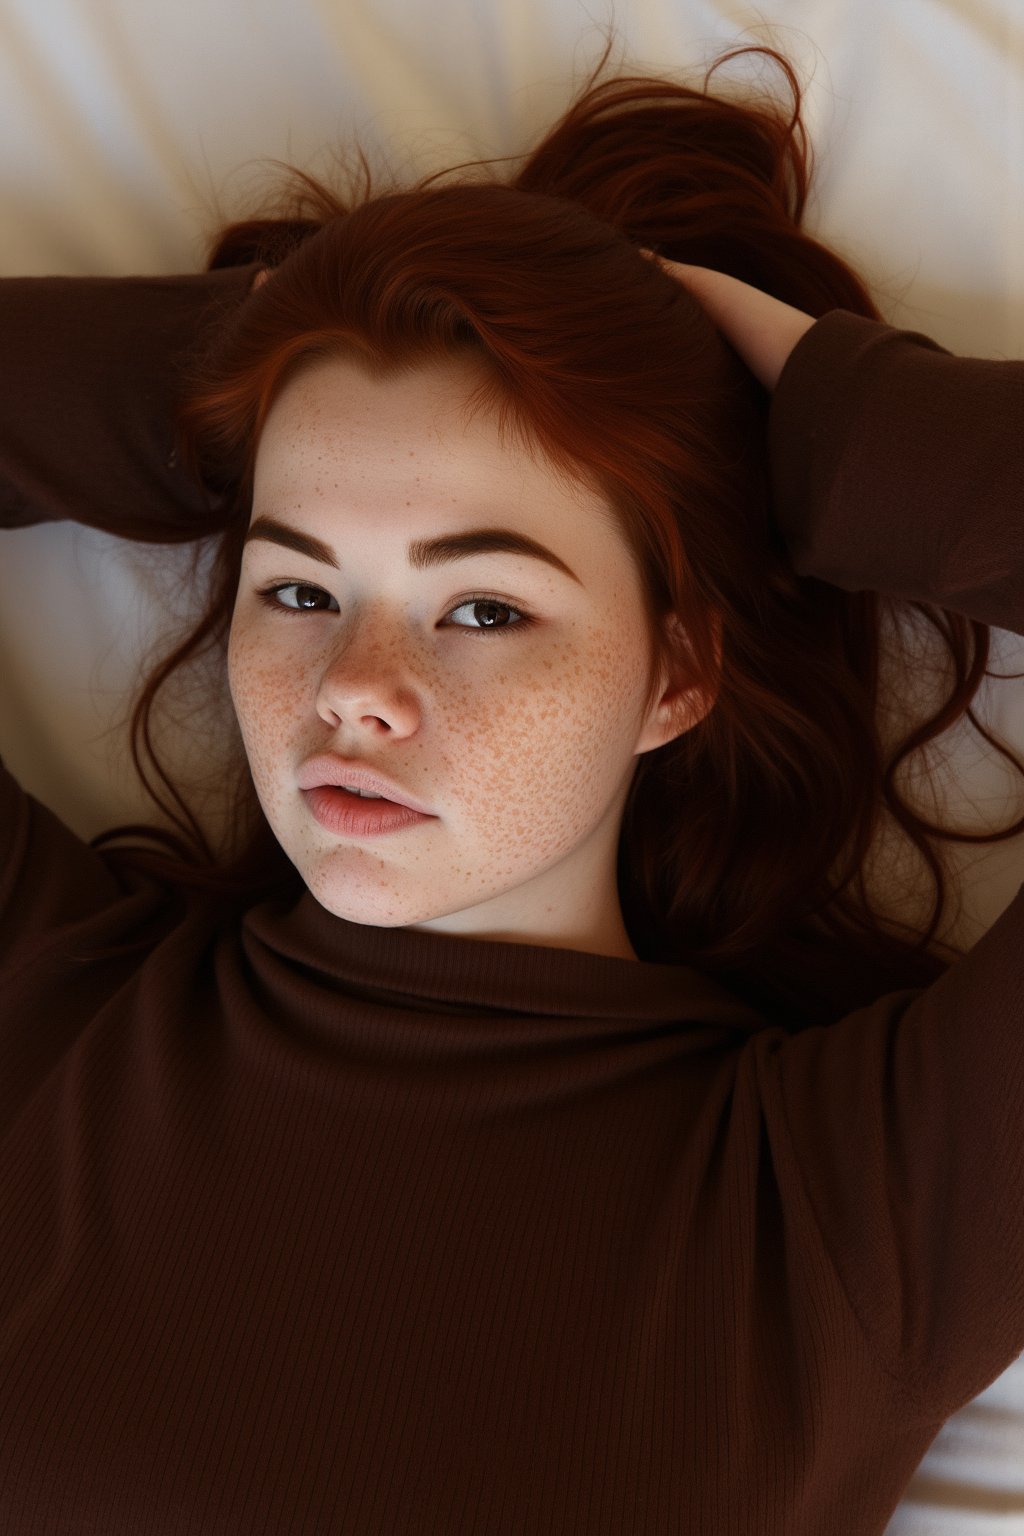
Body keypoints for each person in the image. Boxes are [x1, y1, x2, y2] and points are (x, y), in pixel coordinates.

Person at [1, 43, 1023, 1535]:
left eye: (484, 607)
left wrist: (839, 431)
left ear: (675, 677)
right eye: (296, 587)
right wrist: (284, 363)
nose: (353, 681)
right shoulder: (48, 1006)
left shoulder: (853, 1214)